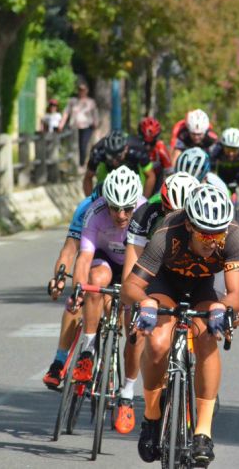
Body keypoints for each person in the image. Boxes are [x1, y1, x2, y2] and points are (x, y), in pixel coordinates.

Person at [121, 184, 239, 466]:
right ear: (189, 226)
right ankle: (152, 417)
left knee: (207, 336)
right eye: (205, 234)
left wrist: (222, 307)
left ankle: (203, 432)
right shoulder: (166, 235)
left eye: (218, 234)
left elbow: (237, 295)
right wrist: (146, 302)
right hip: (166, 283)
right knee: (157, 343)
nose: (213, 242)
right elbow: (129, 287)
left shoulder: (233, 236)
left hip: (204, 286)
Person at [114, 171, 200, 434]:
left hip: (193, 274)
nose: (177, 220)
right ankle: (128, 394)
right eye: (170, 212)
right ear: (162, 205)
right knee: (140, 330)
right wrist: (135, 305)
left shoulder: (203, 219)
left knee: (204, 326)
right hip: (155, 273)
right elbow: (132, 271)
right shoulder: (145, 216)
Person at [71, 166, 145, 386]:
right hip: (105, 258)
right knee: (96, 279)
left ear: (135, 204)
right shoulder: (95, 212)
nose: (121, 215)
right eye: (114, 209)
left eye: (127, 209)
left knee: (134, 332)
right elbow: (84, 257)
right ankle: (87, 352)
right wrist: (78, 290)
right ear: (107, 203)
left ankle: (127, 391)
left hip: (134, 262)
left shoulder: (145, 211)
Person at [42, 184, 103, 389]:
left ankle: (108, 363)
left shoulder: (127, 212)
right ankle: (59, 362)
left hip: (115, 255)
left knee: (114, 301)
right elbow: (69, 251)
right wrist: (59, 278)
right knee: (76, 300)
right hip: (90, 253)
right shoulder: (85, 208)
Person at [83, 130, 156, 198]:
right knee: (102, 188)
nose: (114, 161)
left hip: (132, 166)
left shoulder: (137, 148)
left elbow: (150, 176)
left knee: (142, 178)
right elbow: (88, 177)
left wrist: (144, 200)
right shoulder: (98, 151)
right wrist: (92, 200)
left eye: (118, 157)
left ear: (126, 149)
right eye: (110, 157)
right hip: (107, 168)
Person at [58, 82, 99, 168]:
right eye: (80, 90)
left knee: (83, 145)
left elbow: (95, 114)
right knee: (73, 146)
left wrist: (96, 123)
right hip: (74, 127)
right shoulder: (72, 101)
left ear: (87, 91)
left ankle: (82, 164)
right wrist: (61, 124)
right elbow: (66, 113)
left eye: (83, 90)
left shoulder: (91, 102)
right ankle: (73, 165)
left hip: (87, 127)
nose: (81, 92)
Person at [138, 116, 173, 192]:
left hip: (158, 183)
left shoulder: (161, 149)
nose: (147, 147)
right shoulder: (136, 146)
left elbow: (170, 173)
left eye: (151, 143)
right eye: (145, 143)